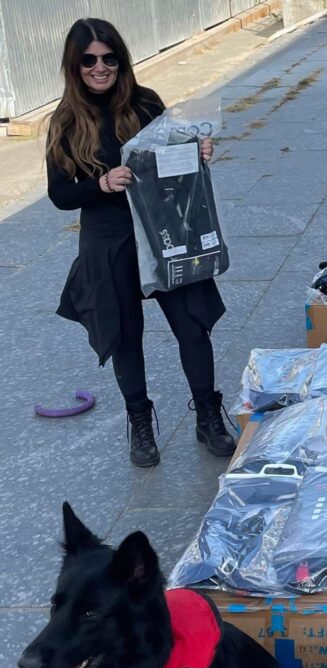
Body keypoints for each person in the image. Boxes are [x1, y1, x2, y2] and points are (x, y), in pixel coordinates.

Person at [46, 18, 236, 467]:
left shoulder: (146, 103)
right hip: (109, 238)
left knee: (192, 325)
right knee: (125, 335)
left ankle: (208, 415)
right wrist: (101, 183)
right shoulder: (66, 121)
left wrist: (197, 153)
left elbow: (173, 160)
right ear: (74, 65)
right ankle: (140, 422)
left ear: (121, 59)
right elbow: (59, 194)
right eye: (89, 60)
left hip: (162, 229)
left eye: (109, 58)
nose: (100, 67)